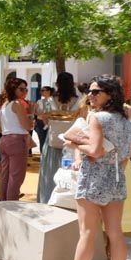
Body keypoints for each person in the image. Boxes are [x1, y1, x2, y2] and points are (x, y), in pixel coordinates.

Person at [54, 76, 131, 260]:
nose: (90, 96)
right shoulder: (126, 114)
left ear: (109, 93)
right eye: (90, 92)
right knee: (115, 232)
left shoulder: (97, 117)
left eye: (96, 92)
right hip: (117, 177)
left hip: (93, 178)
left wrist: (72, 143)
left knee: (87, 232)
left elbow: (94, 151)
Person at [37, 73, 83, 205]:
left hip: (52, 140)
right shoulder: (79, 101)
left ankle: (47, 199)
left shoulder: (50, 101)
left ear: (57, 84)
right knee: (70, 172)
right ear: (72, 84)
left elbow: (42, 116)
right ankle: (67, 201)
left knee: (49, 172)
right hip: (72, 141)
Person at [0, 77, 32, 201]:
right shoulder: (17, 104)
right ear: (13, 89)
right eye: (22, 89)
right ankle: (11, 205)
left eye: (26, 89)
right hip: (17, 140)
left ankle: (3, 202)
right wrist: (31, 118)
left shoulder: (4, 104)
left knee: (5, 175)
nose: (25, 92)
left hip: (5, 140)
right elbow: (27, 125)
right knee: (16, 177)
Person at [33, 86, 54, 153]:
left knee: (50, 140)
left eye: (43, 90)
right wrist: (39, 115)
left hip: (50, 123)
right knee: (42, 140)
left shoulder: (54, 101)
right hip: (40, 123)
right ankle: (42, 155)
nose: (41, 92)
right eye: (41, 90)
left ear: (48, 91)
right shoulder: (39, 101)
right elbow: (34, 112)